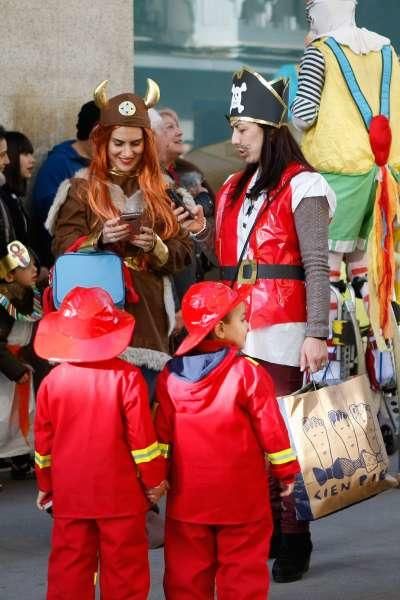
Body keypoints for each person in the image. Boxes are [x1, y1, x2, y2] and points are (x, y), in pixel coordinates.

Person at [190, 67, 335, 582]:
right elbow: (225, 259)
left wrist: (319, 333)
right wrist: (202, 229)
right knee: (247, 442)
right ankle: (271, 528)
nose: (234, 140)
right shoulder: (230, 186)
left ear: (270, 130)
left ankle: (296, 537)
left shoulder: (305, 184)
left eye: (243, 129)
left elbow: (317, 265)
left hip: (283, 332)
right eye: (234, 128)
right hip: (234, 330)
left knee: (285, 443)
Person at [45, 79, 195, 399]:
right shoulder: (80, 188)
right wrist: (99, 239)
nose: (127, 152)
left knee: (147, 412)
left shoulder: (165, 192)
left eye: (135, 143)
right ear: (103, 142)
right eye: (119, 143)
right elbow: (61, 245)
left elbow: (183, 252)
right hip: (94, 317)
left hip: (149, 320)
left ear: (147, 143)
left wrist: (155, 245)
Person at [153, 281, 300, 599]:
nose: (248, 324)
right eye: (242, 318)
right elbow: (272, 431)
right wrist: (287, 474)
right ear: (220, 328)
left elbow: (161, 438)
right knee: (243, 573)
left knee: (186, 575)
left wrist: (156, 479)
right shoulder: (248, 373)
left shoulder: (170, 377)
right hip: (242, 500)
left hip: (187, 501)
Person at [33, 286, 167, 600]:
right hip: (121, 498)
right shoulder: (127, 378)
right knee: (125, 572)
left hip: (70, 498)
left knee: (70, 569)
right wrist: (155, 481)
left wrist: (45, 484)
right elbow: (143, 443)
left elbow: (43, 447)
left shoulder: (52, 382)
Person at [292, 0, 400, 343]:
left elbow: (304, 115)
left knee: (328, 268)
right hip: (385, 175)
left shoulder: (318, 53)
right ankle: (380, 352)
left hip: (339, 170)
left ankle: (335, 359)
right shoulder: (386, 50)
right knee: (369, 268)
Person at [31, 101, 100, 267]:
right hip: (65, 260)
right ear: (95, 133)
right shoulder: (58, 164)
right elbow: (51, 216)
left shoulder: (102, 163)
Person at [0, 240, 41, 480]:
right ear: (9, 276)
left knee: (18, 415)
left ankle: (19, 458)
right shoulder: (4, 302)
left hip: (14, 366)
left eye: (34, 264)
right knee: (3, 416)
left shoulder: (26, 296)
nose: (34, 269)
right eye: (26, 267)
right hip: (5, 370)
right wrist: (15, 369)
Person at [1, 131, 35, 248]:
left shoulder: (14, 197)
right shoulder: (4, 198)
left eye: (31, 154)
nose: (32, 160)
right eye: (25, 154)